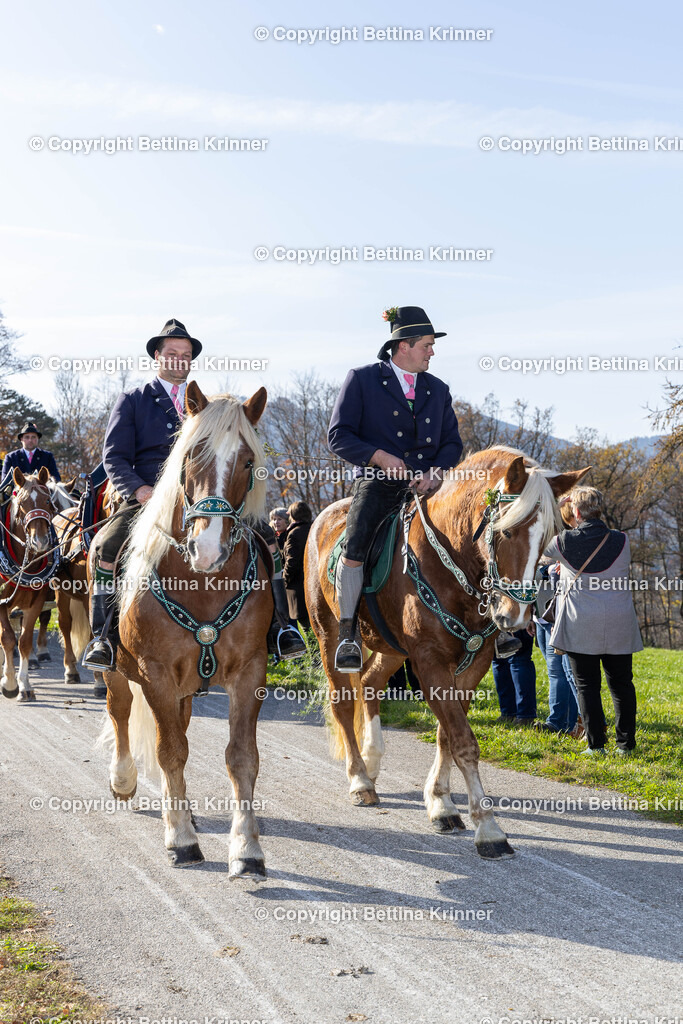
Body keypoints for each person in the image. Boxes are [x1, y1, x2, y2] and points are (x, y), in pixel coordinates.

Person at [82, 318, 305, 669]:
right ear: (157, 356)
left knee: (268, 542)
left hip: (204, 498)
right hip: (146, 500)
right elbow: (114, 457)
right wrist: (139, 489)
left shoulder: (210, 405)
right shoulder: (133, 401)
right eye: (171, 353)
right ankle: (103, 637)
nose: (179, 360)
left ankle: (282, 628)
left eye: (185, 355)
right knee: (107, 546)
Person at [327, 305, 464, 672]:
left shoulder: (438, 389)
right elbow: (338, 436)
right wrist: (378, 456)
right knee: (355, 546)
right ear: (403, 346)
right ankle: (347, 632)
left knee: (473, 535)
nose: (432, 352)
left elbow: (452, 444)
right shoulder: (362, 379)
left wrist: (437, 470)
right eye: (427, 345)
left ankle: (488, 625)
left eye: (432, 346)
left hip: (431, 487)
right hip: (379, 483)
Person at [544, 485, 642, 756]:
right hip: (619, 623)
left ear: (574, 511)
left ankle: (596, 744)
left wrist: (555, 507)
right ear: (599, 509)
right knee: (622, 684)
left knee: (588, 686)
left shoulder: (562, 542)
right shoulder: (622, 540)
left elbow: (540, 551)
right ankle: (626, 745)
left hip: (580, 623)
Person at [533, 558, 580, 735]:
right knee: (555, 671)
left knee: (560, 672)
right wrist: (532, 615)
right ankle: (566, 721)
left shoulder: (560, 546)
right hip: (540, 616)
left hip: (557, 616)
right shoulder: (538, 544)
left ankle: (559, 722)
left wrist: (546, 568)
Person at [491, 627, 537, 726]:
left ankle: (509, 713)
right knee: (518, 660)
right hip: (513, 615)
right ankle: (524, 715)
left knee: (499, 659)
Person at [282, 500, 313, 630]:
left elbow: (292, 561)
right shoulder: (314, 528)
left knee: (307, 628)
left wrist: (284, 580)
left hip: (299, 586)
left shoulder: (294, 534)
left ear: (293, 515)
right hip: (314, 583)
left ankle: (314, 650)